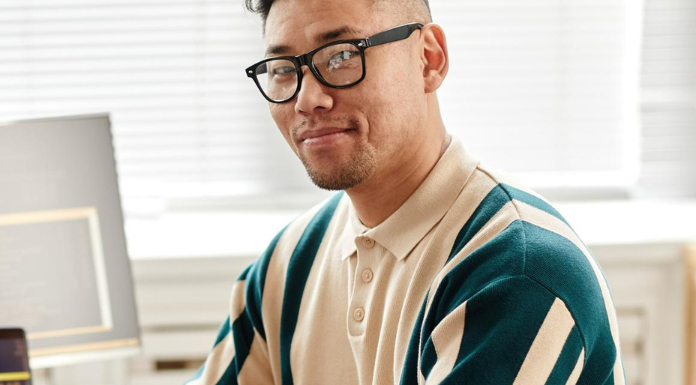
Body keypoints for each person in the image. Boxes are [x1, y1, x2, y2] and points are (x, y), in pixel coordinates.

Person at [186, 0, 624, 383]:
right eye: (284, 70)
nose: (307, 99)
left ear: (429, 60)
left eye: (340, 55)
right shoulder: (288, 263)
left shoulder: (521, 274)